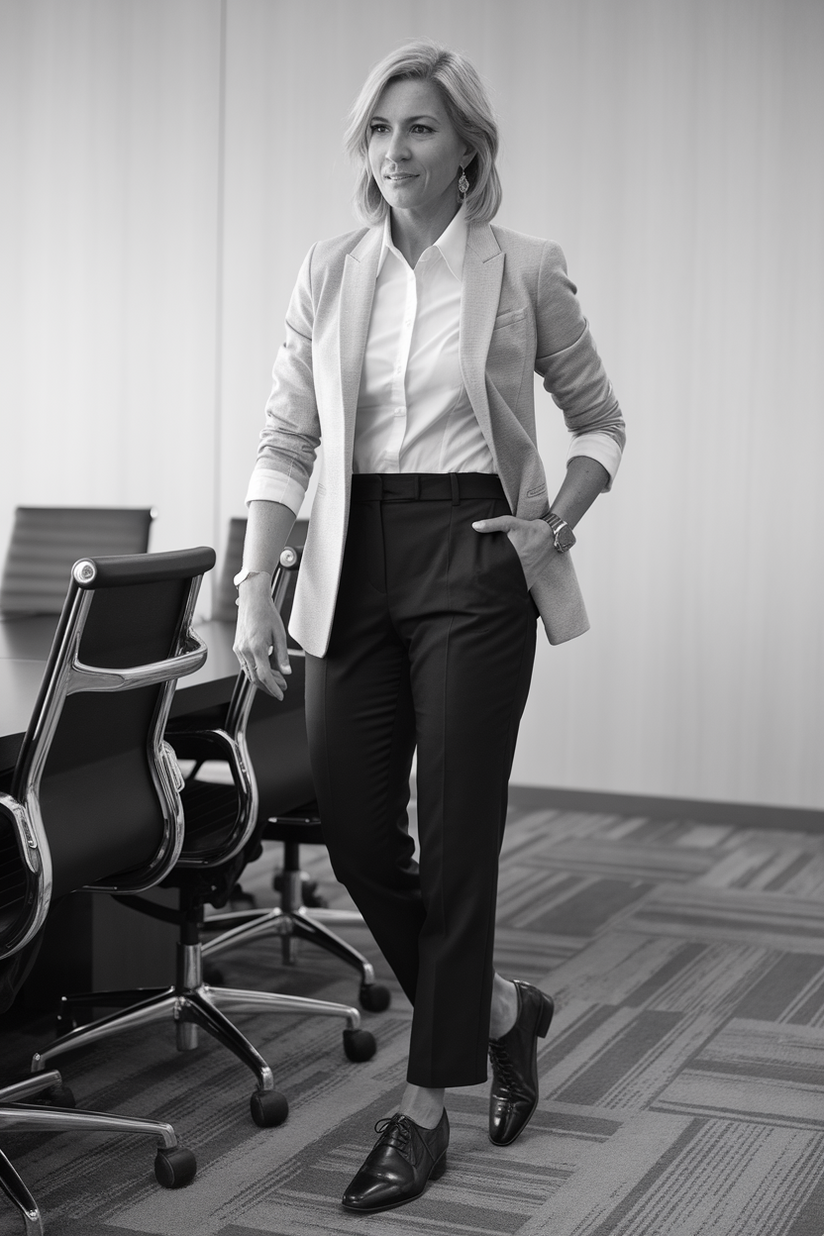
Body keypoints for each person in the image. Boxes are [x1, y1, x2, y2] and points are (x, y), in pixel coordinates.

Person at [233, 38, 625, 1214]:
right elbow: (285, 440)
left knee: (456, 840)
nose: (392, 151)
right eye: (377, 130)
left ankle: (422, 1107)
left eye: (417, 129)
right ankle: (503, 1011)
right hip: (353, 566)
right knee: (356, 833)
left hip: (473, 557)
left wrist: (556, 516)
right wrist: (259, 579)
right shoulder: (329, 269)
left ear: (467, 149)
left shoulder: (526, 268)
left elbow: (599, 420)